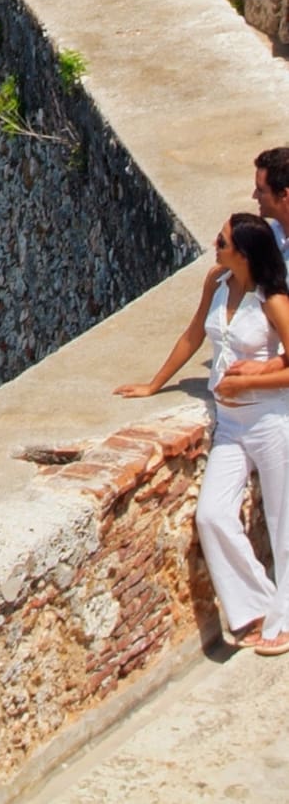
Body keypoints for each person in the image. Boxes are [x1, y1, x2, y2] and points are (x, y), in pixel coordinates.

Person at [116, 212, 289, 654]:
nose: (215, 246)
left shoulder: (272, 300)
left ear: (245, 253)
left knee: (282, 523)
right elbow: (194, 336)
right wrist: (154, 384)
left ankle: (283, 620)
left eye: (222, 241)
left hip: (271, 419)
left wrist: (249, 379)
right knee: (211, 514)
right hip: (231, 425)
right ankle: (258, 605)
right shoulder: (217, 284)